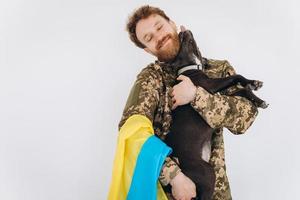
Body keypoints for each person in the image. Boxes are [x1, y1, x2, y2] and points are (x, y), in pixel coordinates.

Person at [119, 5, 258, 200]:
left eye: (159, 27)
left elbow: (245, 118)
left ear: (172, 24)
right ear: (147, 50)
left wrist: (196, 96)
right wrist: (174, 177)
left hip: (217, 192)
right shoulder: (150, 80)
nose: (158, 37)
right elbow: (133, 134)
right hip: (175, 193)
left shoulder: (217, 69)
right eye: (149, 38)